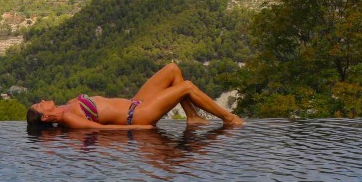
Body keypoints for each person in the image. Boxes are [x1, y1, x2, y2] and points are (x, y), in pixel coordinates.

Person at [26, 63, 244, 130]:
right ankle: (229, 118)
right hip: (137, 115)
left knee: (172, 69)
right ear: (45, 117)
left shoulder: (66, 107)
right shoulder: (67, 118)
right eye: (39, 104)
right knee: (186, 86)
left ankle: (192, 116)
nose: (43, 100)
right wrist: (138, 128)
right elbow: (101, 130)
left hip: (135, 102)